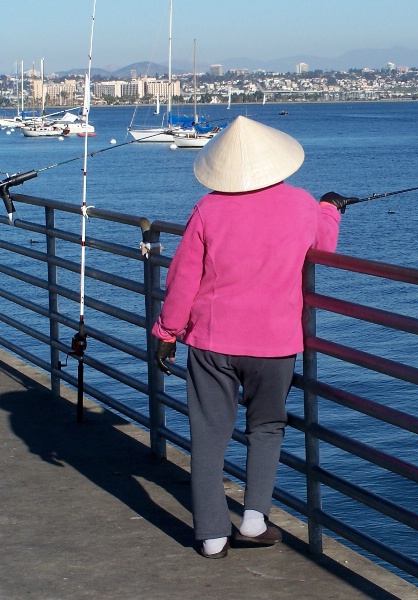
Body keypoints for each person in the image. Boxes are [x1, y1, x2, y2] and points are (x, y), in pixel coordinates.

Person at [151, 116, 349, 559]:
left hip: (212, 340)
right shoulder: (300, 205)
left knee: (208, 435)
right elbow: (324, 248)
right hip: (275, 343)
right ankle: (255, 519)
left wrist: (167, 333)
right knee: (266, 427)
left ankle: (212, 535)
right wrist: (330, 209)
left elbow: (184, 279)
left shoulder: (208, 209)